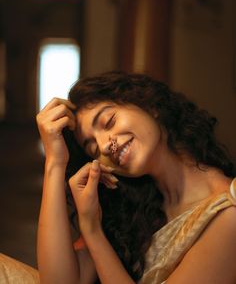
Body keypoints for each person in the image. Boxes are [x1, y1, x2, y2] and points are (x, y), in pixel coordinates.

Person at [35, 71, 236, 284]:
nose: (104, 146)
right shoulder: (132, 210)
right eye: (93, 149)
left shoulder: (227, 213)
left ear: (149, 105)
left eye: (108, 121)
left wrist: (92, 230)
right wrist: (55, 163)